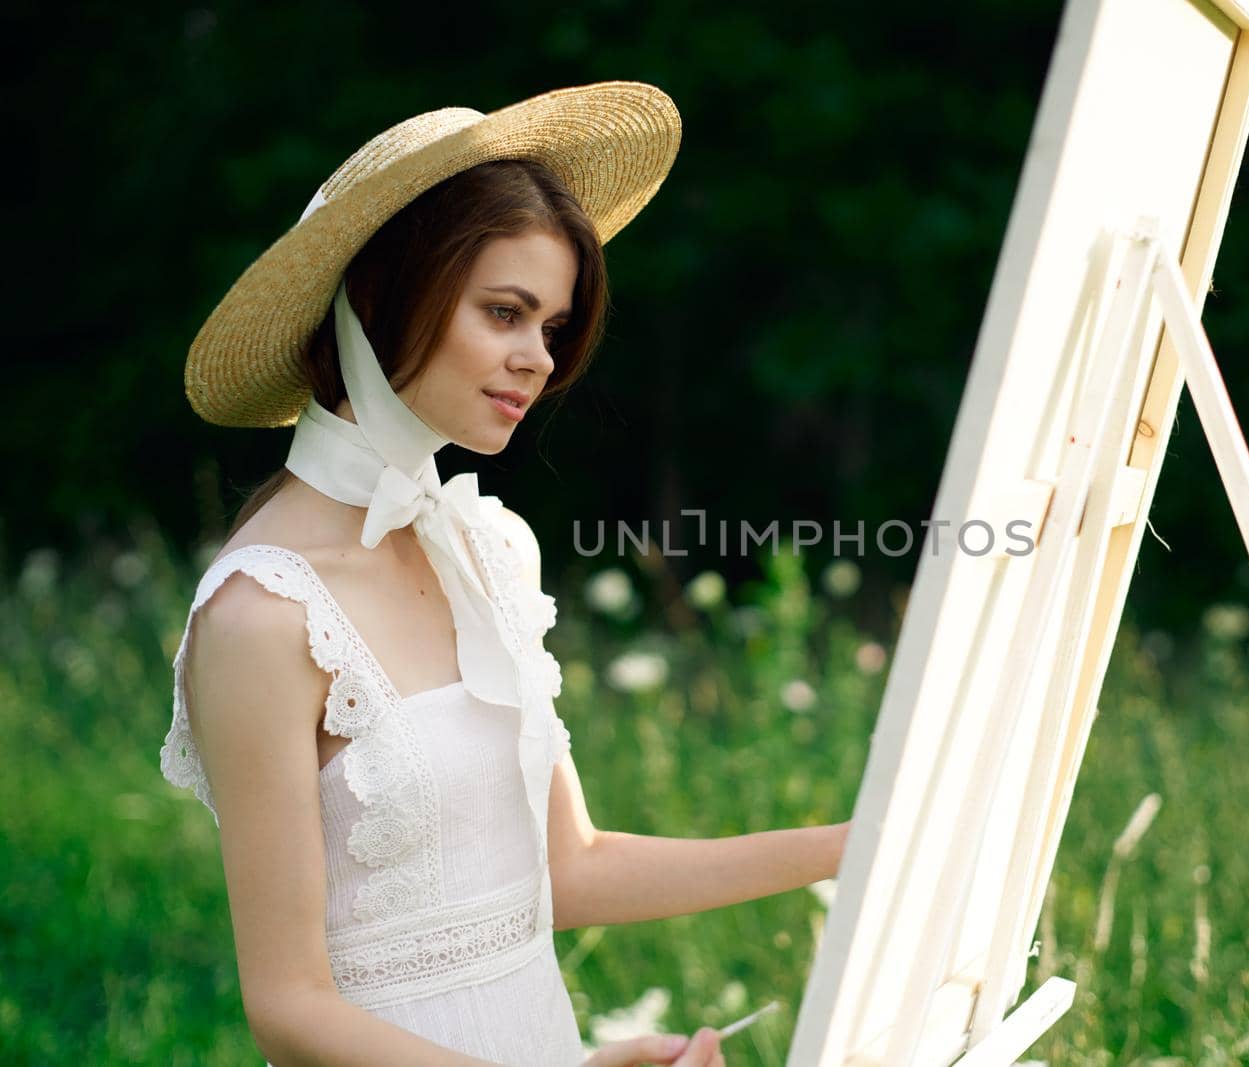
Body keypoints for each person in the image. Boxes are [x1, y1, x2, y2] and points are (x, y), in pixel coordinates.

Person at [157, 82, 850, 1066]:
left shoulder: (483, 546)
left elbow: (569, 866)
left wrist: (851, 849)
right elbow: (290, 1005)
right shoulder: (261, 613)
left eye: (552, 327)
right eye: (505, 313)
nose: (539, 359)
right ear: (382, 297)